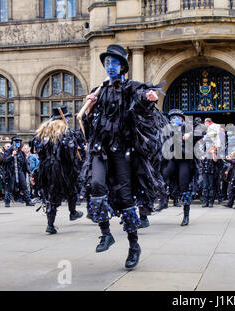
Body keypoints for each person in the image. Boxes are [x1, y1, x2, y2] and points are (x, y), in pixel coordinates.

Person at [82, 44, 165, 269]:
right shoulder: (98, 91)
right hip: (100, 149)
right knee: (96, 185)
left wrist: (148, 97)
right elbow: (90, 124)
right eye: (107, 63)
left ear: (123, 67)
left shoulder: (129, 87)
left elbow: (142, 96)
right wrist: (89, 109)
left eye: (115, 63)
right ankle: (106, 233)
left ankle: (133, 245)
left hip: (122, 151)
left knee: (126, 198)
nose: (110, 66)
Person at [31, 106, 84, 234]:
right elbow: (70, 153)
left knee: (51, 194)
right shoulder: (65, 131)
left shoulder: (42, 132)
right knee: (72, 188)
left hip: (45, 168)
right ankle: (72, 212)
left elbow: (38, 149)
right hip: (61, 169)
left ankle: (50, 224)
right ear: (63, 118)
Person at [162, 109, 198, 226]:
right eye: (172, 118)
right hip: (173, 160)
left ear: (182, 119)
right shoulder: (169, 130)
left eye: (176, 117)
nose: (174, 119)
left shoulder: (188, 127)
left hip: (185, 161)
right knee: (163, 178)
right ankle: (164, 200)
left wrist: (190, 134)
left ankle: (186, 216)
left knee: (184, 187)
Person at [0, 136, 35, 208]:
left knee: (24, 185)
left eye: (19, 142)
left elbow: (25, 163)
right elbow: (4, 161)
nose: (18, 144)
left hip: (19, 171)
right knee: (10, 187)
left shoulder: (21, 152)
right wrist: (12, 155)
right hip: (11, 172)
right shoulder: (8, 151)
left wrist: (29, 172)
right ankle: (7, 202)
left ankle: (28, 201)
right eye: (16, 142)